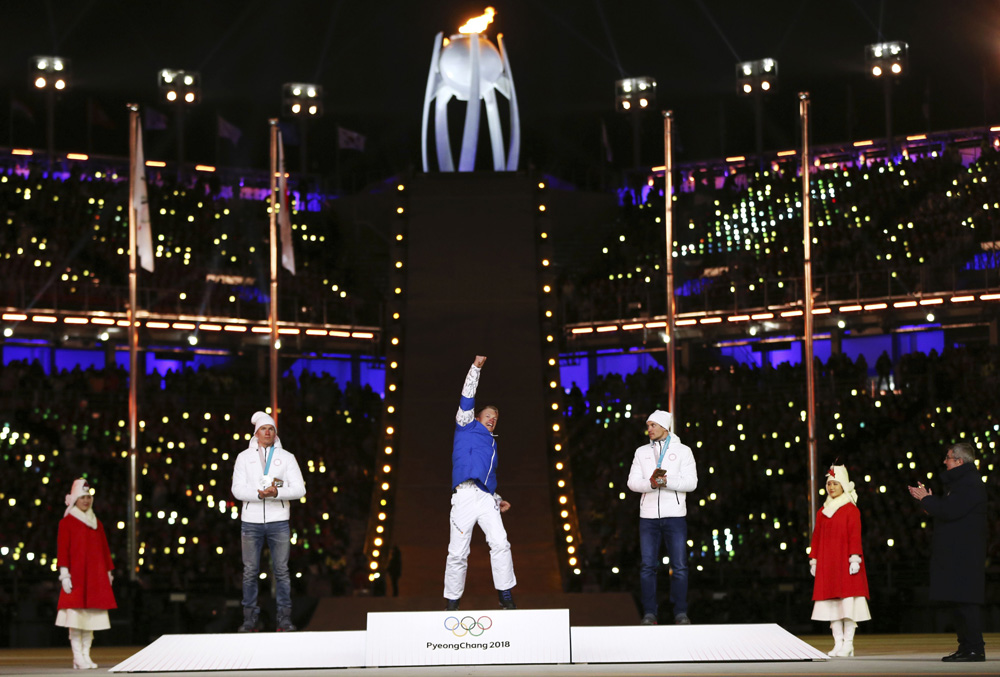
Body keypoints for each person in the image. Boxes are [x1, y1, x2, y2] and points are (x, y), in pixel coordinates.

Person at [443, 355, 517, 611]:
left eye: (496, 419)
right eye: (488, 415)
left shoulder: (493, 445)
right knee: (457, 553)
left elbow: (486, 478)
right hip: (463, 496)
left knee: (500, 542)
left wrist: (497, 498)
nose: (492, 420)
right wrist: (476, 368)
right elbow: (467, 394)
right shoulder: (465, 425)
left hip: (485, 498)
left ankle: (505, 595)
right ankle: (452, 602)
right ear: (476, 417)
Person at [908, 442, 987, 662]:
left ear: (960, 461)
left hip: (964, 554)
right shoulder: (964, 482)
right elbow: (950, 511)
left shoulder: (969, 483)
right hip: (961, 553)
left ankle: (974, 648)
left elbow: (950, 511)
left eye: (948, 457)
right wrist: (930, 502)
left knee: (965, 602)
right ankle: (967, 647)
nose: (945, 461)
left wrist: (927, 499)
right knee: (959, 601)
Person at [231, 411, 306, 632]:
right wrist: (259, 494)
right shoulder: (244, 457)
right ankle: (249, 620)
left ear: (275, 433)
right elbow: (236, 489)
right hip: (251, 521)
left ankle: (284, 619)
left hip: (278, 519)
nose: (267, 432)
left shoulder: (287, 457)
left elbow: (300, 489)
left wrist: (276, 492)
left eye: (271, 429)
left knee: (281, 571)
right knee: (250, 571)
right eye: (264, 429)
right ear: (256, 433)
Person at [626, 410, 698, 625]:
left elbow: (691, 483)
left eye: (653, 425)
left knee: (679, 566)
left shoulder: (683, 452)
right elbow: (631, 483)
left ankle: (680, 613)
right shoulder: (641, 452)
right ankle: (650, 613)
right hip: (648, 517)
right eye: (648, 425)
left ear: (665, 427)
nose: (649, 429)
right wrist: (650, 483)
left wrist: (666, 481)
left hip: (675, 516)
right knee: (648, 566)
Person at [808, 465, 870, 657]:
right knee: (832, 605)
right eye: (829, 484)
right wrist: (814, 560)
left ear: (843, 485)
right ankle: (838, 643)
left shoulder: (851, 509)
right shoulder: (822, 511)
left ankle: (848, 643)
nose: (831, 487)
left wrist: (854, 558)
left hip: (845, 561)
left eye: (835, 483)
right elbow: (816, 537)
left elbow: (854, 535)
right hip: (828, 563)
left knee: (848, 603)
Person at [55, 478, 116, 670]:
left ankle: (86, 655)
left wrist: (108, 572)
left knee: (89, 618)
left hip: (94, 578)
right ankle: (77, 656)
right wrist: (64, 574)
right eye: (83, 497)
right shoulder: (67, 522)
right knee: (76, 617)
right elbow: (62, 550)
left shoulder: (96, 523)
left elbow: (104, 550)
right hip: (77, 577)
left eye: (89, 497)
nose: (86, 500)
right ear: (75, 499)